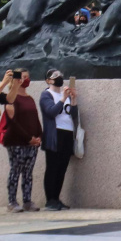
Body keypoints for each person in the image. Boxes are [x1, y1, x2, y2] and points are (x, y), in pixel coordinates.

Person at [0, 70, 42, 212]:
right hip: (16, 141)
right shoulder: (11, 98)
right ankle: (12, 202)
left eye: (27, 77)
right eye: (22, 77)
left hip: (32, 143)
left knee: (28, 172)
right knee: (15, 170)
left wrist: (38, 136)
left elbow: (35, 119)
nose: (25, 80)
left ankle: (27, 201)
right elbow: (14, 122)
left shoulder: (29, 98)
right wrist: (28, 138)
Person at [39, 70, 78, 211]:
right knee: (52, 168)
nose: (59, 78)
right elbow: (51, 112)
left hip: (67, 133)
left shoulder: (65, 95)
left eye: (60, 75)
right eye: (55, 76)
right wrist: (62, 98)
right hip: (54, 135)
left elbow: (72, 114)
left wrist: (73, 99)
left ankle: (56, 198)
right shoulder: (46, 95)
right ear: (48, 80)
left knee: (62, 168)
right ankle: (50, 200)